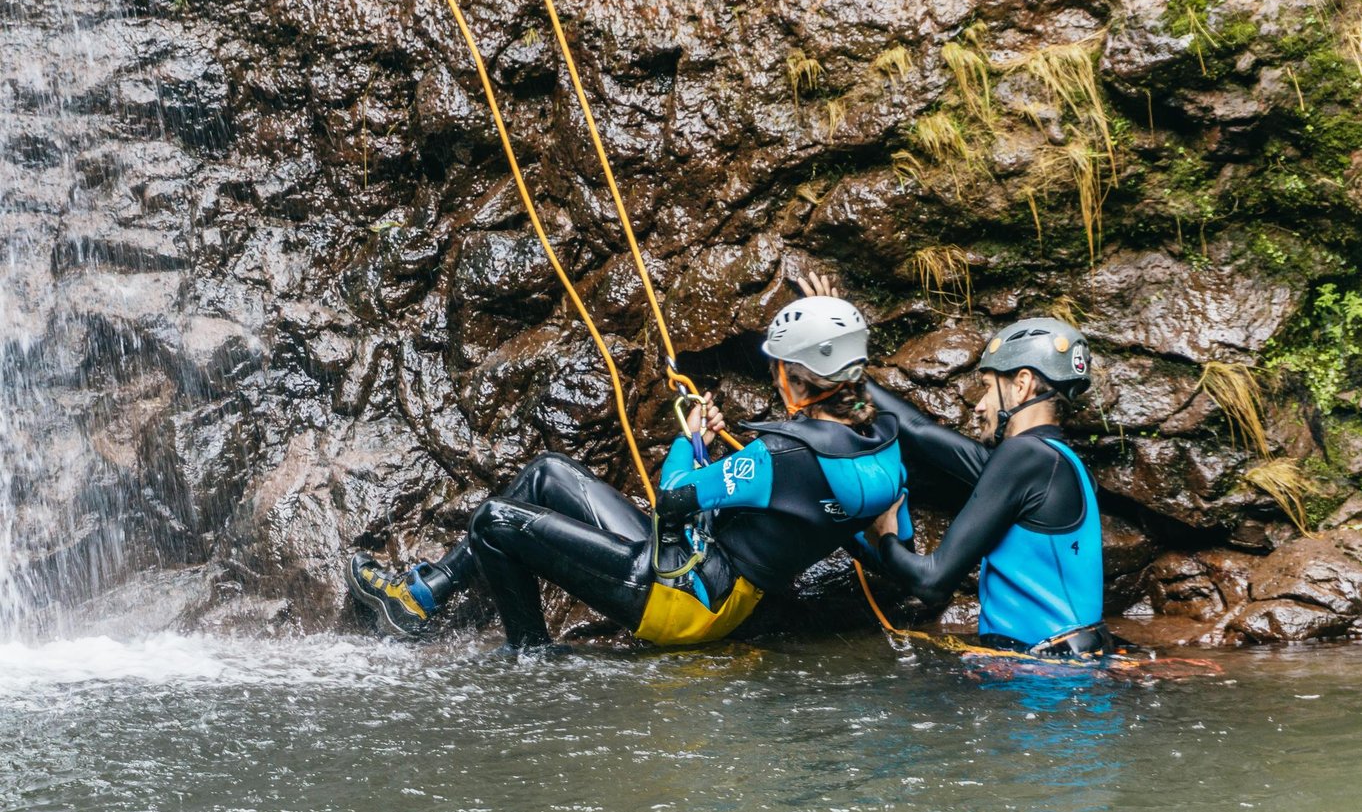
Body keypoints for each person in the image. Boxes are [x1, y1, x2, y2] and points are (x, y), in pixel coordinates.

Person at [344, 294, 912, 648]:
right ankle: (423, 595)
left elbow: (672, 497)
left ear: (797, 377)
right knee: (546, 474)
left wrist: (691, 440)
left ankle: (532, 658)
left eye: (780, 370)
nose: (775, 379)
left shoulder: (778, 457)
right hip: (712, 584)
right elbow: (894, 542)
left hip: (680, 598)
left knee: (496, 520)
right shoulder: (885, 450)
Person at [863, 316, 1110, 657]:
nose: (979, 405)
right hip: (1069, 663)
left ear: (1021, 384)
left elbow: (932, 582)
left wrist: (885, 536)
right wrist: (845, 369)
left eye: (987, 387)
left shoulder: (1024, 456)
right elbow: (918, 430)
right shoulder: (1060, 462)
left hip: (1044, 673)